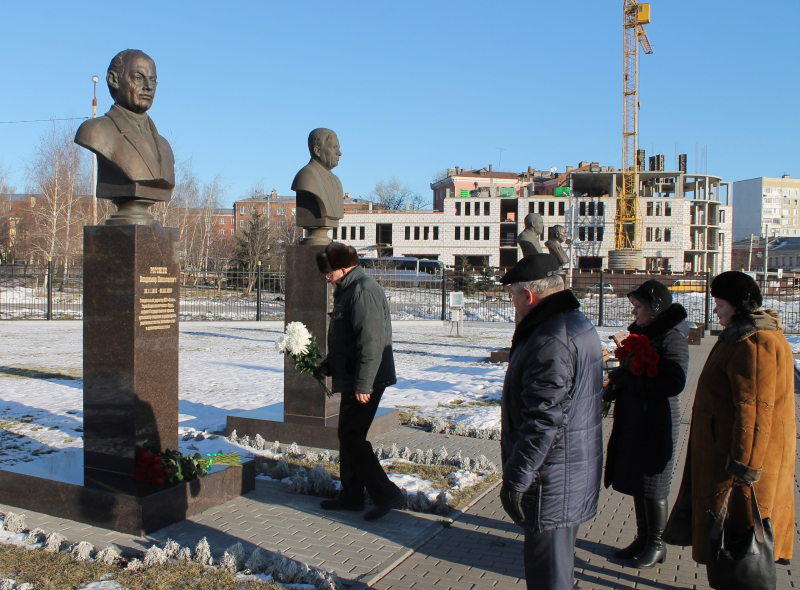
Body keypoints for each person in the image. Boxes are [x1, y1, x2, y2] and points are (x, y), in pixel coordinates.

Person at [664, 271, 796, 570]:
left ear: (739, 306)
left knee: (743, 549)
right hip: (733, 457)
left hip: (741, 467)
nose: (714, 310)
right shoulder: (741, 337)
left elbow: (755, 409)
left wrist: (745, 466)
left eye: (720, 304)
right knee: (735, 548)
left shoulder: (755, 343)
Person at [498, 253, 604, 590]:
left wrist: (517, 478)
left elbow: (543, 420)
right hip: (568, 469)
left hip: (552, 477)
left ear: (528, 296)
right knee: (558, 571)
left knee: (549, 577)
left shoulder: (550, 338)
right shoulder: (573, 322)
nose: (513, 304)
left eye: (513, 295)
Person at [314, 242, 403, 521]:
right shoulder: (348, 289)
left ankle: (387, 494)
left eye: (329, 275)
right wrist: (328, 365)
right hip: (354, 376)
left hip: (367, 379)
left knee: (352, 437)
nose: (327, 280)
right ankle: (351, 496)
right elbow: (347, 340)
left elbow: (371, 342)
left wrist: (364, 384)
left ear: (343, 268)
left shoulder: (363, 290)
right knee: (348, 437)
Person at [603, 280, 690, 567]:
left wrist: (632, 382)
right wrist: (618, 383)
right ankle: (642, 537)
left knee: (654, 483)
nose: (635, 312)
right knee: (639, 481)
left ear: (655, 308)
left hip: (658, 420)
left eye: (639, 307)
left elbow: (674, 382)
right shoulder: (641, 333)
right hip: (636, 418)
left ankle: (657, 543)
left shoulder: (671, 337)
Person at [75, 49, 175, 203]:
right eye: (138, 78)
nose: (148, 87)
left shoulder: (164, 146)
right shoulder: (95, 132)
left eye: (153, 80)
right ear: (113, 79)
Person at [292, 128, 345, 234]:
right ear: (317, 151)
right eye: (334, 147)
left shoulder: (336, 181)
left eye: (338, 148)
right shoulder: (306, 176)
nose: (339, 153)